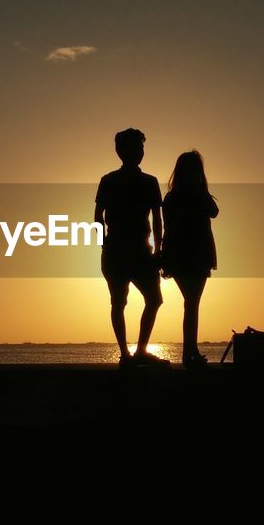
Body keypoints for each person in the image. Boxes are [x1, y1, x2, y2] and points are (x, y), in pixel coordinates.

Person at [95, 128, 169, 368]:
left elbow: (158, 219)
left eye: (141, 148)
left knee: (152, 299)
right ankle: (127, 354)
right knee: (119, 302)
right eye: (135, 147)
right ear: (121, 151)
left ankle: (137, 353)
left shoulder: (148, 181)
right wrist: (103, 244)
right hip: (122, 249)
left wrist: (158, 248)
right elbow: (97, 217)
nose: (140, 152)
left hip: (137, 250)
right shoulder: (109, 180)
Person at [160, 150, 219, 367]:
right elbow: (214, 211)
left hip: (180, 254)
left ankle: (190, 351)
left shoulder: (172, 197)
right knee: (192, 303)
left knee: (191, 303)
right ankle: (189, 352)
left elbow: (168, 228)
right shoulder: (196, 196)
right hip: (195, 253)